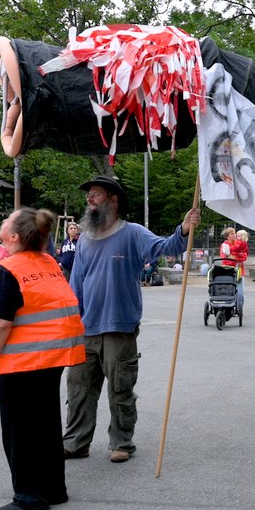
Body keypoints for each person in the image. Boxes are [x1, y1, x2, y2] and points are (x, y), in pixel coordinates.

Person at [63, 173, 199, 463]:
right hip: (86, 329)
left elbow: (166, 247)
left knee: (120, 388)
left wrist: (184, 229)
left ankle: (122, 442)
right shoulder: (84, 240)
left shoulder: (133, 233)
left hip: (119, 326)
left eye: (95, 194)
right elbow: (76, 284)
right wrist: (72, 320)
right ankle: (76, 442)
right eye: (89, 194)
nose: (89, 198)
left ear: (113, 199)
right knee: (78, 388)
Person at [0, 208, 84, 510]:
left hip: (23, 360)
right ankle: (53, 488)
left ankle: (28, 496)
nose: (2, 221)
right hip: (53, 355)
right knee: (46, 424)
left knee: (19, 430)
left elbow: (0, 324)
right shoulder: (47, 263)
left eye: (7, 220)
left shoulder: (8, 269)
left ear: (13, 236)